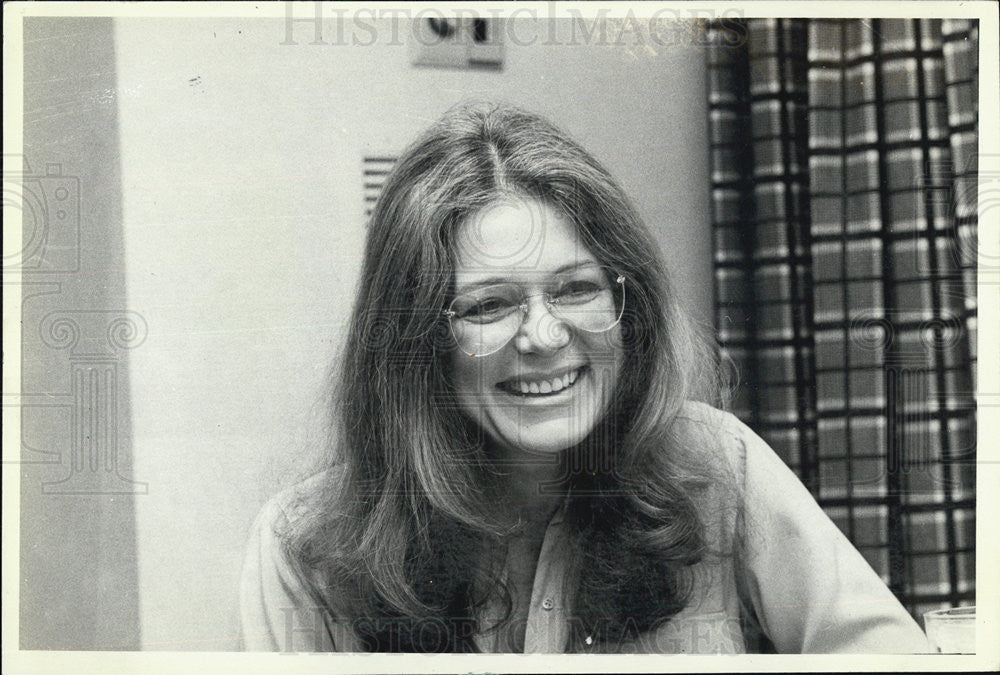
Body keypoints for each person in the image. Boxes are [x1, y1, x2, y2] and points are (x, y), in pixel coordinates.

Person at [239, 102, 930, 654]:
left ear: (627, 304)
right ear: (415, 339)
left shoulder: (721, 465)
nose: (543, 336)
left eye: (575, 289)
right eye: (488, 304)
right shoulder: (304, 550)